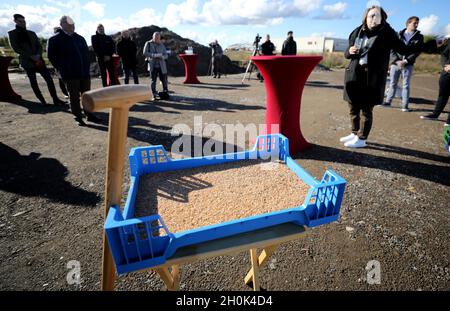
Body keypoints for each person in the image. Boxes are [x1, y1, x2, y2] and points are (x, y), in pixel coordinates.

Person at [341, 5, 439, 148]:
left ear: (383, 18)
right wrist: (349, 51)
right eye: (371, 15)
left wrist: (429, 44)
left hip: (372, 77)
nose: (373, 19)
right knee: (353, 106)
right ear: (365, 17)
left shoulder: (387, 33)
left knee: (366, 109)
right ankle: (354, 132)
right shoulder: (358, 31)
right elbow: (347, 54)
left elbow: (404, 49)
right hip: (355, 74)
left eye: (377, 16)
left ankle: (362, 139)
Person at [47, 16, 100, 126]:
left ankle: (89, 115)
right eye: (69, 24)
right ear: (62, 24)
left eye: (73, 24)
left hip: (84, 72)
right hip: (69, 74)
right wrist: (62, 69)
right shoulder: (54, 39)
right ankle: (78, 116)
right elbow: (51, 57)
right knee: (74, 96)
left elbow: (86, 54)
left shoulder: (80, 38)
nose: (72, 26)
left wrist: (87, 67)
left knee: (87, 95)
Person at [8, 14, 65, 106]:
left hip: (39, 60)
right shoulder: (12, 34)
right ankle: (43, 101)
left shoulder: (32, 33)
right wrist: (30, 56)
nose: (23, 23)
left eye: (24, 21)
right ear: (15, 21)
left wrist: (38, 55)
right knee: (34, 82)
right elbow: (16, 48)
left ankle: (56, 99)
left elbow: (39, 45)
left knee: (49, 80)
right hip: (27, 62)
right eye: (20, 21)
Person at [383, 16, 424, 112]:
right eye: (414, 23)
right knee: (392, 83)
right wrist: (397, 60)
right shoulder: (398, 34)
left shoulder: (420, 37)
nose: (416, 25)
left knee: (406, 85)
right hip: (395, 64)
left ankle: (405, 106)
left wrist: (406, 61)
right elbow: (391, 48)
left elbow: (417, 51)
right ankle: (388, 102)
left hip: (408, 65)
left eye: (417, 23)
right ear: (408, 23)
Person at [420, 42, 450, 126]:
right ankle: (435, 115)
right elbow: (444, 54)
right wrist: (445, 66)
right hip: (446, 73)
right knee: (442, 95)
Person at [143, 32, 168, 100]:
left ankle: (165, 93)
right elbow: (144, 52)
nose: (157, 39)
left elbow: (166, 55)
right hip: (152, 65)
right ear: (153, 37)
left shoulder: (162, 45)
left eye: (158, 38)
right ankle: (152, 94)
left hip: (161, 65)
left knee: (164, 80)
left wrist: (162, 57)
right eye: (156, 37)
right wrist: (153, 55)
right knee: (153, 81)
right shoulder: (148, 43)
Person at [53, 27, 69, 98]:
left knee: (63, 79)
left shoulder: (64, 39)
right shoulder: (54, 40)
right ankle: (66, 93)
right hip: (60, 64)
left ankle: (67, 93)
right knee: (63, 80)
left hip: (61, 64)